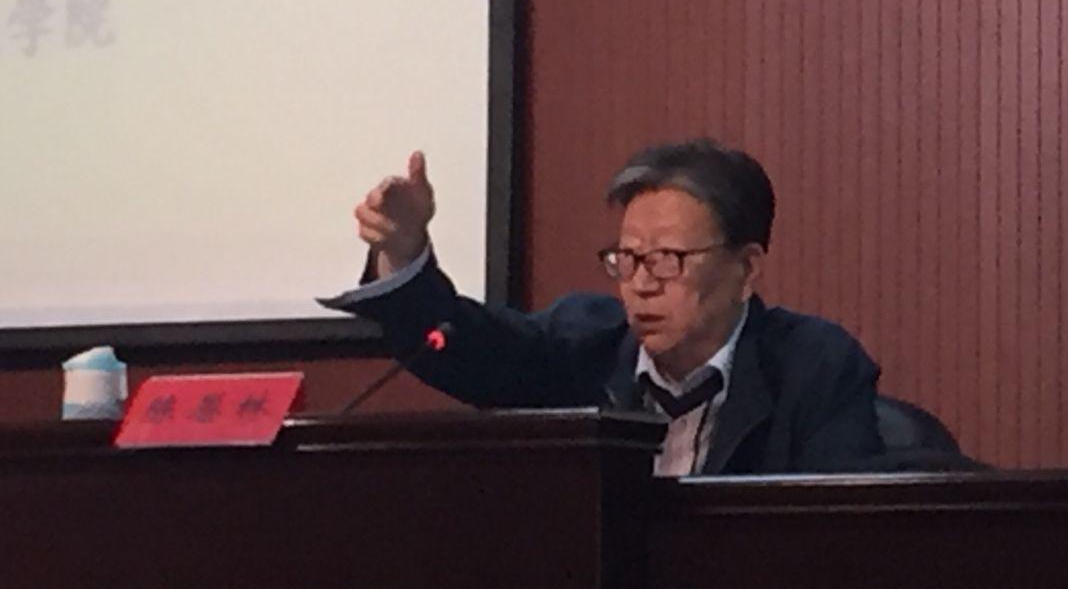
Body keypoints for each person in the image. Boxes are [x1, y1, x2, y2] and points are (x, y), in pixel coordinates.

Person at [326, 137, 933, 475]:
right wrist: (403, 251)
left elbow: (834, 547)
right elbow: (463, 344)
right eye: (627, 258)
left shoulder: (815, 367)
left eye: (667, 259)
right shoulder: (583, 347)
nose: (640, 284)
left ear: (747, 268)